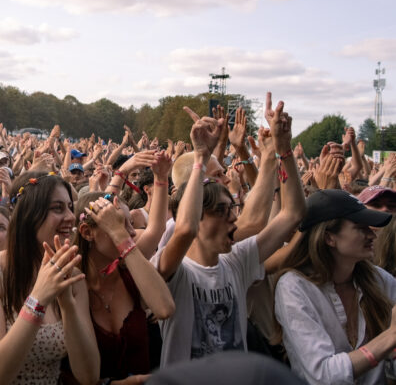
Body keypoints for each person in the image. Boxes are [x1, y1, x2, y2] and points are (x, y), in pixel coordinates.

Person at [151, 99, 306, 367]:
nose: (235, 218)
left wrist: (284, 150)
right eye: (222, 211)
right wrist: (201, 156)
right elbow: (186, 228)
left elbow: (292, 214)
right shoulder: (176, 270)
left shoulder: (237, 261)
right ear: (197, 216)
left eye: (232, 208)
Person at [0, 173, 100, 384]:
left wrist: (68, 305)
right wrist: (38, 298)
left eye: (69, 207)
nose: (70, 217)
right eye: (57, 208)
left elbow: (89, 376)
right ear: (28, 215)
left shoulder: (73, 277)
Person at [275, 189, 396, 384]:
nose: (371, 235)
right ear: (329, 237)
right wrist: (390, 337)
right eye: (360, 227)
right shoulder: (294, 287)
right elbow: (323, 375)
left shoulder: (381, 280)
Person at [77, 191, 175, 382]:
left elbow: (165, 308)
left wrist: (121, 237)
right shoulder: (72, 283)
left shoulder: (131, 274)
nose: (131, 232)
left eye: (131, 222)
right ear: (87, 232)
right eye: (117, 223)